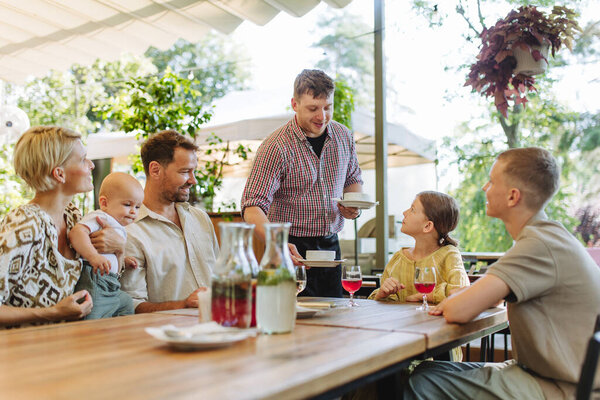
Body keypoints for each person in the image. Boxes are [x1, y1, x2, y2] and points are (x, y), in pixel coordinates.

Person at [404, 147, 600, 400]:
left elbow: (458, 310)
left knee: (420, 380)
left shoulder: (539, 245)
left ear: (512, 197)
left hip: (561, 389)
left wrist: (456, 299)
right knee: (428, 370)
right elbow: (493, 297)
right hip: (554, 377)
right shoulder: (549, 236)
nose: (485, 187)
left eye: (492, 181)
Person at [241, 69, 363, 298]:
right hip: (290, 248)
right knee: (289, 323)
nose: (322, 117)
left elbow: (353, 179)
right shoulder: (275, 146)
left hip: (331, 248)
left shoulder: (344, 136)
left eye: (327, 107)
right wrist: (276, 244)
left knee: (334, 322)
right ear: (294, 104)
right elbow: (252, 206)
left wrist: (353, 206)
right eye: (313, 109)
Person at [0, 126, 124, 328]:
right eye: (83, 159)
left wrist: (119, 249)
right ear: (59, 174)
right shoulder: (24, 223)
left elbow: (106, 279)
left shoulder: (73, 217)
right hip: (19, 351)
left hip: (64, 345)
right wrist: (53, 313)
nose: (91, 165)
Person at [120, 130, 219, 313]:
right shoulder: (130, 231)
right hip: (165, 336)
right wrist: (183, 305)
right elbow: (131, 306)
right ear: (155, 170)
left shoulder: (200, 219)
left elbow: (220, 278)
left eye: (193, 171)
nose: (193, 180)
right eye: (185, 172)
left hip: (218, 328)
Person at [369, 191, 469, 361]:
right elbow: (376, 309)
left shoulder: (449, 255)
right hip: (398, 344)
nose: (404, 213)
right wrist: (381, 294)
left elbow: (463, 292)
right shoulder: (397, 258)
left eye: (413, 209)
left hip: (437, 351)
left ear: (427, 226)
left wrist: (429, 295)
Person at [69, 172, 142, 319]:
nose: (133, 211)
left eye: (138, 207)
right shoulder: (99, 217)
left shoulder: (118, 226)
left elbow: (108, 252)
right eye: (127, 205)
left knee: (127, 303)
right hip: (95, 280)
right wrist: (93, 256)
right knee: (93, 314)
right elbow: (77, 233)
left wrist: (124, 259)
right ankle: (86, 337)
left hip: (111, 284)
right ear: (104, 203)